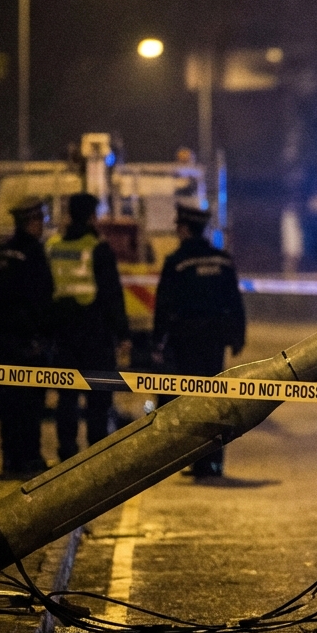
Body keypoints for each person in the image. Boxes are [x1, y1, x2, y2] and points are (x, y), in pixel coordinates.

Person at [153, 203, 246, 479]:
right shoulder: (222, 260)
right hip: (214, 340)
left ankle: (195, 459)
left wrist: (158, 342)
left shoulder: (176, 262)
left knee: (190, 399)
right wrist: (237, 336)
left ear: (184, 229)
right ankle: (212, 461)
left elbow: (163, 305)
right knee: (213, 398)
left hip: (186, 341)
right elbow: (235, 302)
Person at [47, 193, 130, 460]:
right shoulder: (97, 248)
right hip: (95, 335)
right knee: (98, 399)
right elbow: (111, 295)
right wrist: (123, 334)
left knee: (67, 399)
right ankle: (96, 455)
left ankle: (66, 454)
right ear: (93, 216)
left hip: (62, 335)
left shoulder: (53, 247)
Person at [0, 197, 55, 478]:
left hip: (4, 340)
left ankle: (9, 459)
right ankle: (30, 458)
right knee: (30, 404)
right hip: (28, 342)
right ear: (29, 222)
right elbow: (42, 296)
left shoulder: (2, 252)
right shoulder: (34, 252)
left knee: (9, 403)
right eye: (39, 221)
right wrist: (42, 334)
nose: (41, 226)